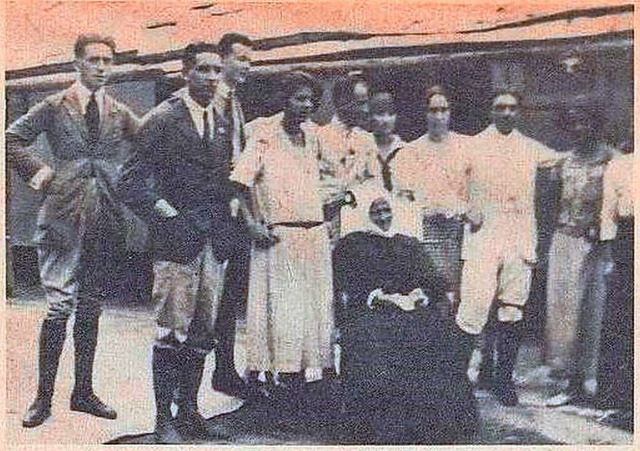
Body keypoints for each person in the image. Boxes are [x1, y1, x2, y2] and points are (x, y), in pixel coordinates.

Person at [7, 33, 139, 428]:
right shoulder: (54, 105)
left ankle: (83, 392)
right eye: (95, 60)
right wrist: (41, 172)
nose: (102, 67)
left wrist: (128, 182)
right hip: (63, 217)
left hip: (106, 218)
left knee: (92, 304)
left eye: (108, 61)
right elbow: (11, 139)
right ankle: (42, 398)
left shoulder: (118, 111)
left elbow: (151, 143)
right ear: (77, 64)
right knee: (59, 306)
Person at [119, 43, 243, 442]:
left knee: (203, 332)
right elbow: (130, 181)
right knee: (171, 331)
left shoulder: (221, 119)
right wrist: (165, 213)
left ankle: (189, 412)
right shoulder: (163, 118)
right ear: (185, 72)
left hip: (213, 241)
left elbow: (224, 178)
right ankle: (163, 421)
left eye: (215, 70)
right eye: (203, 70)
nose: (211, 77)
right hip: (177, 242)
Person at [333, 184, 478, 444]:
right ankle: (382, 426)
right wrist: (378, 297)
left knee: (436, 336)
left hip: (411, 309)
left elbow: (430, 277)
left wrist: (422, 292)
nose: (383, 217)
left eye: (386, 210)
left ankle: (432, 423)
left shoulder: (406, 242)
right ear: (365, 213)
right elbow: (347, 283)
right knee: (376, 344)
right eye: (375, 212)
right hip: (372, 311)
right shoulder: (352, 244)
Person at [229, 71, 335, 398]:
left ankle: (308, 383)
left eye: (310, 101)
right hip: (279, 238)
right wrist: (251, 224)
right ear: (284, 99)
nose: (305, 106)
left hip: (313, 236)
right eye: (299, 98)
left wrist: (338, 203)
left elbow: (333, 180)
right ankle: (279, 385)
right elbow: (238, 184)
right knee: (282, 313)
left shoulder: (314, 137)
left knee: (315, 312)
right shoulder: (264, 134)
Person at [457, 91, 561, 406]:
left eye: (512, 108)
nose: (506, 113)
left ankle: (502, 380)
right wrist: (465, 208)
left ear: (519, 112)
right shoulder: (471, 146)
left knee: (511, 309)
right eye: (500, 107)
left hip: (517, 238)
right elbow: (449, 182)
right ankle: (458, 381)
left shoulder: (530, 148)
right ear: (490, 111)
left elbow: (563, 159)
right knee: (473, 309)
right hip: (483, 237)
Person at [544, 107, 612, 407]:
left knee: (594, 312)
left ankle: (592, 379)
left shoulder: (612, 161)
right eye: (575, 122)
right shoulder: (563, 163)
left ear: (596, 124)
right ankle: (568, 380)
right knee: (564, 314)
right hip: (565, 241)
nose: (581, 127)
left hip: (598, 245)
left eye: (586, 121)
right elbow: (548, 205)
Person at [394, 86, 473, 304]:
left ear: (450, 112)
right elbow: (405, 199)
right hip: (427, 232)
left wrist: (462, 210)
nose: (438, 116)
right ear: (424, 112)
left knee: (463, 293)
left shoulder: (467, 146)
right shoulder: (411, 152)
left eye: (443, 110)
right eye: (433, 110)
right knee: (433, 292)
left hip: (460, 232)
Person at [210, 32, 254, 399]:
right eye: (240, 58)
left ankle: (224, 368)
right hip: (212, 212)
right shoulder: (210, 100)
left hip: (235, 211)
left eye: (250, 61)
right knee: (207, 298)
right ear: (222, 58)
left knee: (229, 296)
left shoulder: (236, 102)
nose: (246, 66)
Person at [596, 141, 633, 428]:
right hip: (627, 243)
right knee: (621, 323)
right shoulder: (620, 164)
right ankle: (616, 398)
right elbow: (608, 213)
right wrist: (609, 255)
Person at [316, 73, 377, 242]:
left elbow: (373, 181)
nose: (365, 110)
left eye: (366, 103)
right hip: (325, 225)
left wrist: (351, 195)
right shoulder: (318, 138)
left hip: (359, 223)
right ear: (342, 103)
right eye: (360, 103)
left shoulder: (367, 140)